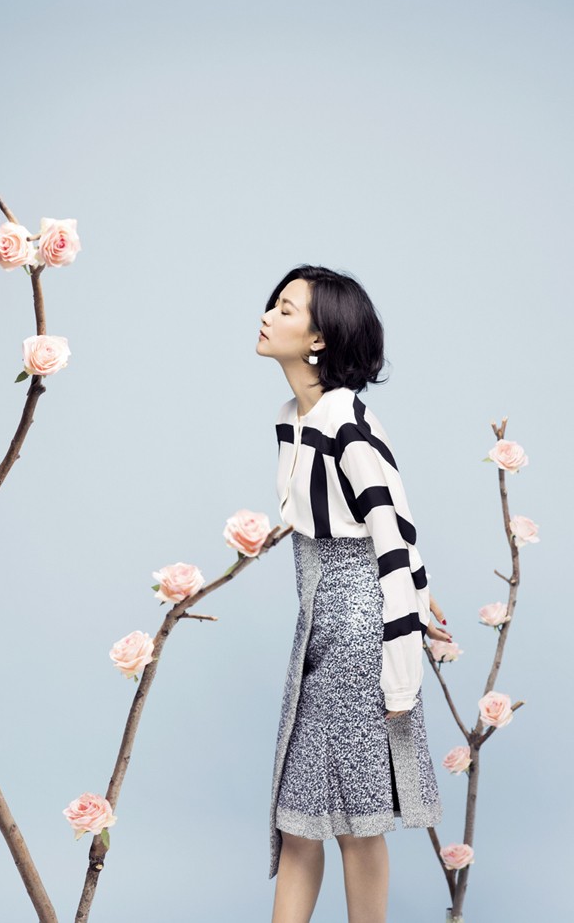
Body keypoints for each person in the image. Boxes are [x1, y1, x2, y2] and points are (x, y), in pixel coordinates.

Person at [255, 265, 452, 923]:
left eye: (286, 309)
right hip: (319, 623)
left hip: (359, 634)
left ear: (319, 339)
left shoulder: (349, 425)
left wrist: (402, 670)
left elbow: (391, 533)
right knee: (301, 818)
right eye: (274, 304)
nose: (267, 316)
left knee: (354, 823)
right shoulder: (294, 417)